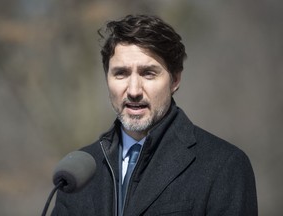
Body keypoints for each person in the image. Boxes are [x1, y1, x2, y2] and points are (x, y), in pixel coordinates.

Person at [52, 14, 257, 216]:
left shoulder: (223, 166)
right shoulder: (77, 173)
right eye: (121, 73)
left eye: (148, 73)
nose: (134, 90)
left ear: (175, 80)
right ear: (107, 79)